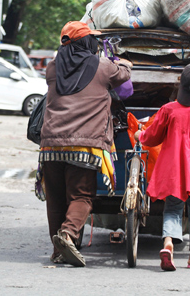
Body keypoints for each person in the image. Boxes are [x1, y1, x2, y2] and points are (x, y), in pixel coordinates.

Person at [36, 21, 132, 267]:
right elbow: (123, 75)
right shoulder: (102, 67)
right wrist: (123, 62)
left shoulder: (52, 67)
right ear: (88, 42)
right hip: (84, 145)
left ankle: (58, 249)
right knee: (82, 195)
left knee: (56, 199)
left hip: (50, 145)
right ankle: (68, 235)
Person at [133, 62, 190, 271]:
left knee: (172, 209)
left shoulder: (168, 110)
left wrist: (140, 135)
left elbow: (152, 137)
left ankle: (168, 243)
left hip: (173, 172)